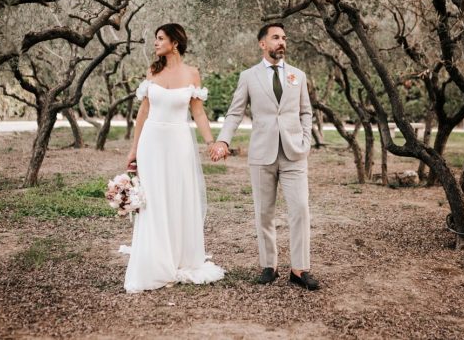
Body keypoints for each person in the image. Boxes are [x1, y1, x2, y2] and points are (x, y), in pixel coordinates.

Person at [210, 23, 319, 290]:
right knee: (264, 212)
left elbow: (306, 111)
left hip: (294, 153)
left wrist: (305, 140)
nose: (281, 42)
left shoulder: (298, 75)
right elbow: (235, 112)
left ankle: (299, 269)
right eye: (275, 38)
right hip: (262, 153)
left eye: (284, 37)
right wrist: (224, 139)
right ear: (263, 44)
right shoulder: (248, 76)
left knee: (300, 210)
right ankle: (269, 265)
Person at [122, 23, 224, 293]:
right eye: (156, 39)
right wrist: (134, 149)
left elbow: (199, 113)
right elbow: (143, 113)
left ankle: (179, 257)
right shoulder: (152, 71)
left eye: (160, 38)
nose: (155, 43)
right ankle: (156, 259)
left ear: (174, 43)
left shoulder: (192, 74)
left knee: (177, 196)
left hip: (179, 143)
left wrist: (210, 143)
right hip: (151, 143)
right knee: (153, 200)